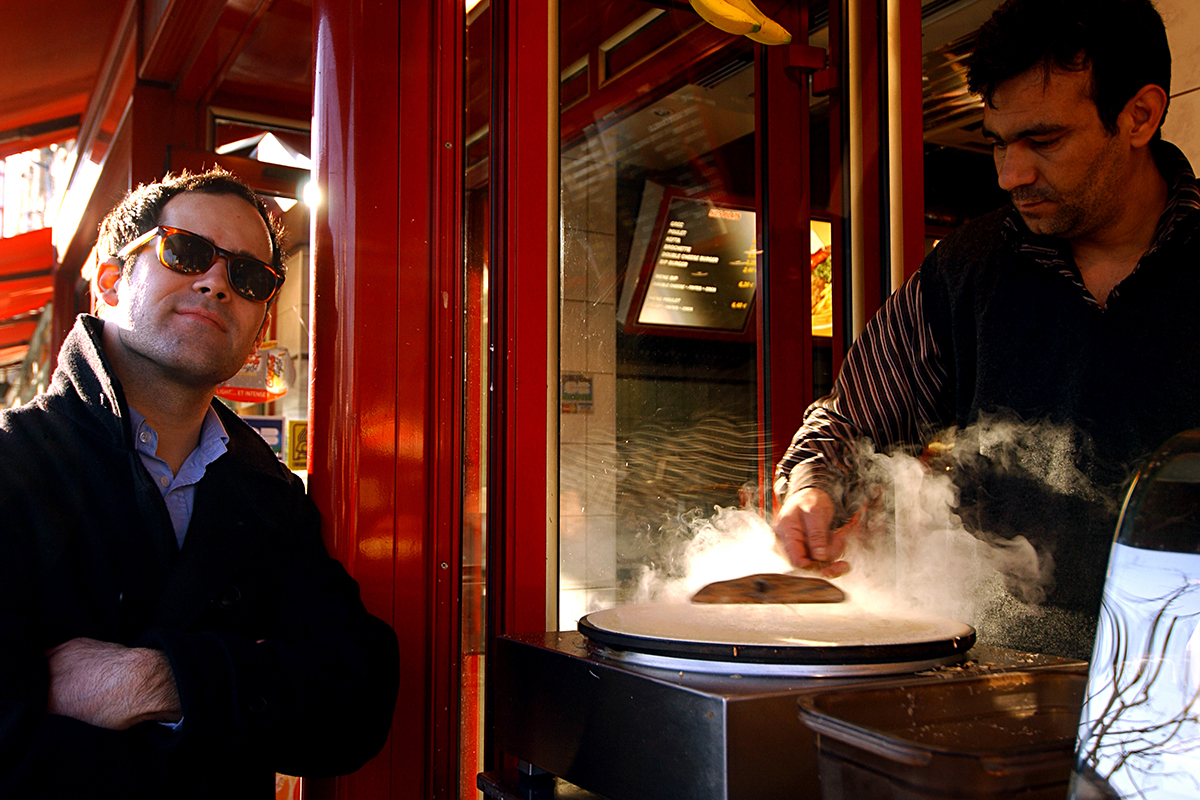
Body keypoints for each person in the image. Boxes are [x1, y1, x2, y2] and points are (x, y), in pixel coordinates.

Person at [773, 0, 1200, 660]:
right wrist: (810, 491)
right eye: (1000, 143)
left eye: (1044, 141)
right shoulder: (969, 269)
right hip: (997, 682)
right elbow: (847, 421)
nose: (1012, 175)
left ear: (1139, 114)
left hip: (1181, 692)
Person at [0, 168, 400, 798]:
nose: (216, 283)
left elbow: (356, 700)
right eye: (185, 252)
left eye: (248, 277)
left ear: (260, 320)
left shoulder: (267, 496)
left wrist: (157, 680)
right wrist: (246, 694)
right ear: (110, 279)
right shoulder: (13, 464)